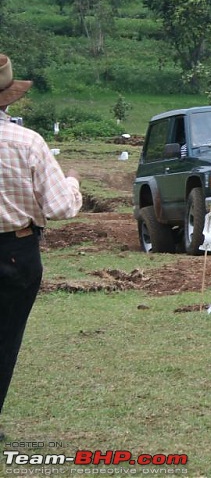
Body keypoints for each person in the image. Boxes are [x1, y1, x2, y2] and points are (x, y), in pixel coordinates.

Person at [0, 53, 82, 441]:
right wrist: (73, 183)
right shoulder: (27, 142)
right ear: (8, 98)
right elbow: (60, 207)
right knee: (5, 337)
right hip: (15, 252)